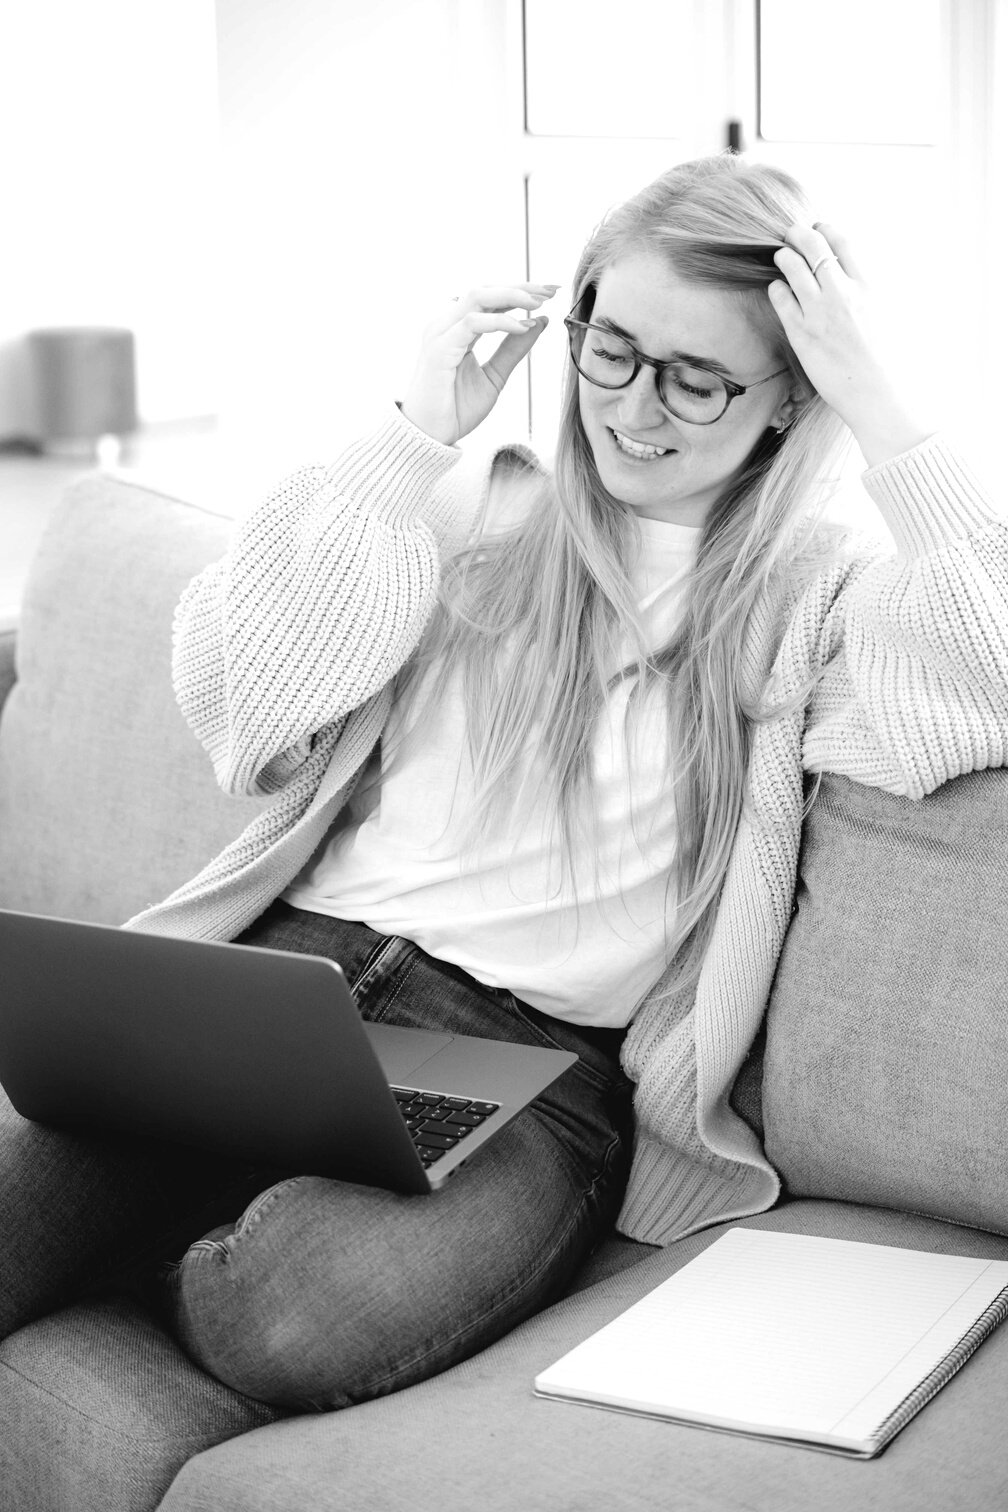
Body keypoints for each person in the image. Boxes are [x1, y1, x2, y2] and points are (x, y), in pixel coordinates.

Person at [2, 153, 1006, 1424]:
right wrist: (411, 436)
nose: (635, 408)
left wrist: (885, 410)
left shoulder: (818, 599)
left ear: (789, 394)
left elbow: (992, 670)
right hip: (286, 981)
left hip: (529, 1062)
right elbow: (243, 700)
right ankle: (170, 1214)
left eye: (697, 378)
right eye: (612, 351)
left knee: (289, 1318)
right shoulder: (470, 509)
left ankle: (171, 1235)